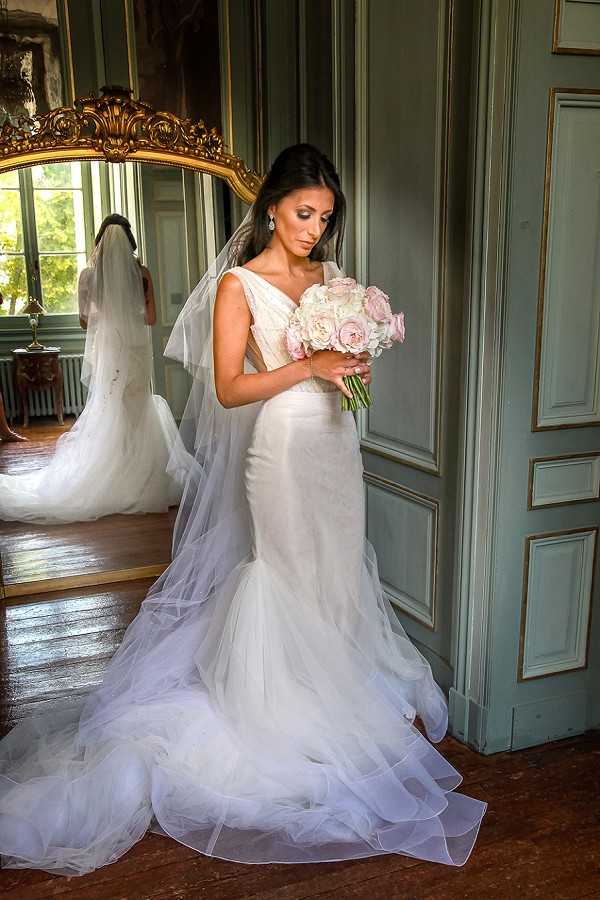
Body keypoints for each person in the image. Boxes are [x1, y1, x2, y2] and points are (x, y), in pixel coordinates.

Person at [0, 146, 486, 876]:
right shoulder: (239, 285)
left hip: (334, 446)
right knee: (285, 570)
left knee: (335, 570)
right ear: (270, 209)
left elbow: (342, 363)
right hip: (281, 449)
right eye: (302, 213)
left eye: (324, 217)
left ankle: (336, 692)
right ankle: (286, 709)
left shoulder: (330, 279)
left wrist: (355, 361)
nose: (314, 230)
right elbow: (229, 388)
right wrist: (311, 367)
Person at [0, 215, 184, 523]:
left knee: (110, 411)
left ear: (100, 242)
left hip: (112, 351)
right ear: (130, 241)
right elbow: (151, 319)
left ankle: (112, 477)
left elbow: (85, 322)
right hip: (137, 354)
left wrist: (107, 313)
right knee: (137, 411)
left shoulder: (89, 276)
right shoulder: (142, 273)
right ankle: (140, 478)